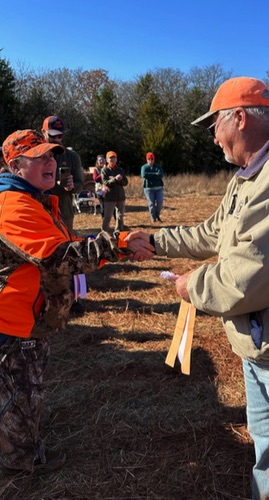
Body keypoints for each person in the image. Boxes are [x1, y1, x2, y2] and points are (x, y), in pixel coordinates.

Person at [125, 77, 269, 499]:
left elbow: (253, 277)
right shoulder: (249, 175)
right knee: (267, 462)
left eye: (215, 125)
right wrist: (156, 241)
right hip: (263, 349)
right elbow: (213, 232)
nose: (214, 137)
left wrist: (190, 286)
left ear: (240, 118)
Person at [0, 129, 130, 476]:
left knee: (19, 393)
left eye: (53, 156)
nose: (51, 163)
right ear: (15, 165)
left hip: (27, 322)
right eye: (40, 156)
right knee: (20, 399)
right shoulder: (13, 205)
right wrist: (118, 244)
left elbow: (67, 240)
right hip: (13, 326)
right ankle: (20, 463)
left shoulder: (35, 200)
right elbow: (62, 257)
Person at [42, 115, 84, 234]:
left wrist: (72, 187)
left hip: (64, 213)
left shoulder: (72, 157)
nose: (56, 139)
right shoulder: (35, 156)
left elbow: (80, 184)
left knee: (65, 249)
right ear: (43, 132)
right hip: (41, 212)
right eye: (52, 135)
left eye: (60, 136)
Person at [101, 151, 128, 236]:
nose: (112, 159)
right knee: (108, 216)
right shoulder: (105, 170)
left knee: (120, 216)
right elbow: (105, 182)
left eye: (114, 158)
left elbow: (125, 182)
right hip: (110, 197)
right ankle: (104, 232)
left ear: (116, 159)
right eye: (110, 158)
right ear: (107, 160)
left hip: (121, 197)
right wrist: (115, 179)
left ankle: (118, 232)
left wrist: (120, 180)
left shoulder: (120, 170)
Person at [141, 152, 164, 223]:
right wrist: (155, 174)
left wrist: (150, 175)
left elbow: (160, 175)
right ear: (147, 160)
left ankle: (157, 215)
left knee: (160, 202)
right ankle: (153, 217)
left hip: (158, 188)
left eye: (152, 159)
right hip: (148, 189)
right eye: (149, 159)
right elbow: (144, 175)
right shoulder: (144, 167)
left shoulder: (158, 167)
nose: (151, 161)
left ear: (154, 159)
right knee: (151, 203)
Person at [93, 154, 107, 218]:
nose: (101, 161)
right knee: (103, 204)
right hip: (100, 189)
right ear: (97, 161)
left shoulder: (108, 168)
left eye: (102, 160)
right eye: (99, 160)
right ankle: (104, 220)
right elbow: (95, 179)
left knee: (111, 205)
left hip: (108, 189)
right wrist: (102, 173)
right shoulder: (96, 169)